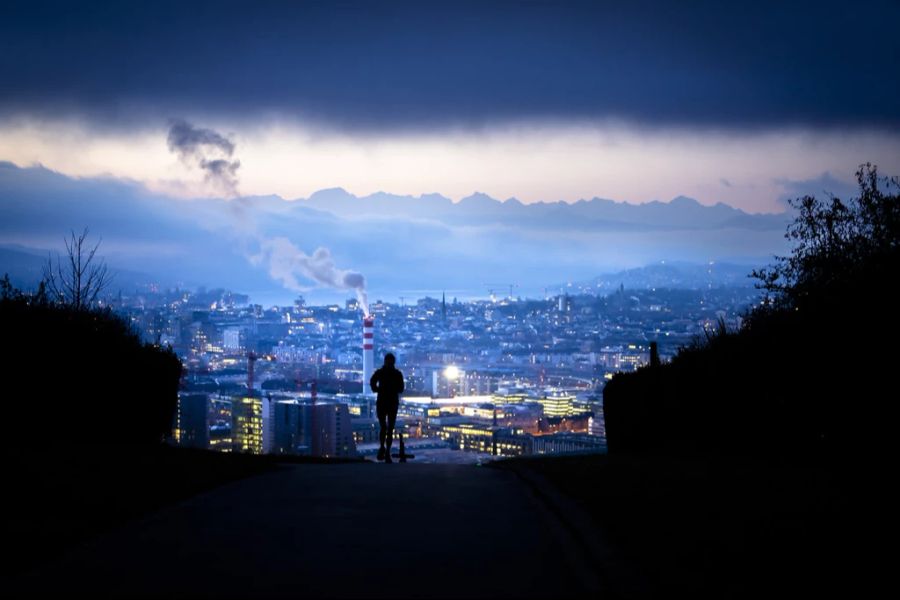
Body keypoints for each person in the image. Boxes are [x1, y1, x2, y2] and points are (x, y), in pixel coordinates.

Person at [370, 352, 404, 463]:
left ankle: (383, 449)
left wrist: (377, 389)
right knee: (389, 429)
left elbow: (372, 382)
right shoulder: (397, 374)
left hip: (382, 402)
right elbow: (401, 389)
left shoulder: (380, 372)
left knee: (384, 427)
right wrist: (392, 390)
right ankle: (387, 452)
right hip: (392, 403)